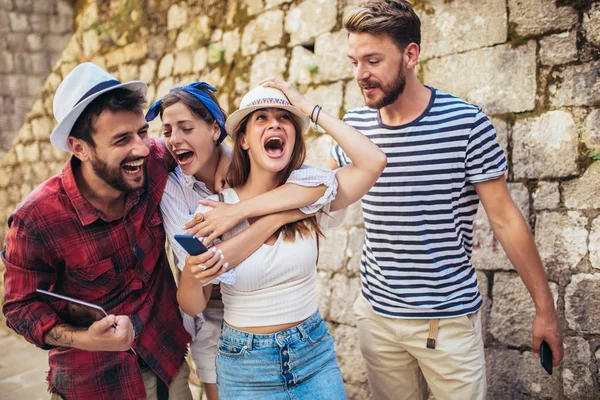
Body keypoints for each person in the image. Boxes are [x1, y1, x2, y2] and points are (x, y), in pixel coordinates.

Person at [326, 1, 564, 399]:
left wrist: (545, 308)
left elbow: (504, 218)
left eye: (372, 60)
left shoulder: (466, 123)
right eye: (354, 61)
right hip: (377, 318)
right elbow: (323, 197)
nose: (361, 75)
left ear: (411, 54)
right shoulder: (354, 125)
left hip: (447, 323)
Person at [0, 63, 223, 399]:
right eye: (122, 140)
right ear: (80, 148)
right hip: (93, 384)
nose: (142, 149)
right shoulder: (36, 220)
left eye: (142, 132)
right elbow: (20, 308)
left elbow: (208, 147)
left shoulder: (154, 163)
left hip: (168, 366)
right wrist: (84, 338)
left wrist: (231, 173)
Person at [180, 81, 386, 399]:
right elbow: (193, 304)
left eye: (284, 117)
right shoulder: (215, 209)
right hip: (246, 366)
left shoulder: (309, 188)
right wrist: (194, 275)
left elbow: (373, 161)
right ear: (244, 141)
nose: (275, 123)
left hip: (313, 354)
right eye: (261, 117)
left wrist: (308, 108)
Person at [146, 82, 340, 400]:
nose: (174, 140)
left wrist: (239, 211)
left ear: (215, 129)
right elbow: (197, 272)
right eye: (167, 131)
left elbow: (317, 184)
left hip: (279, 311)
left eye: (185, 127)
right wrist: (278, 217)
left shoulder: (251, 158)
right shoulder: (175, 189)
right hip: (214, 313)